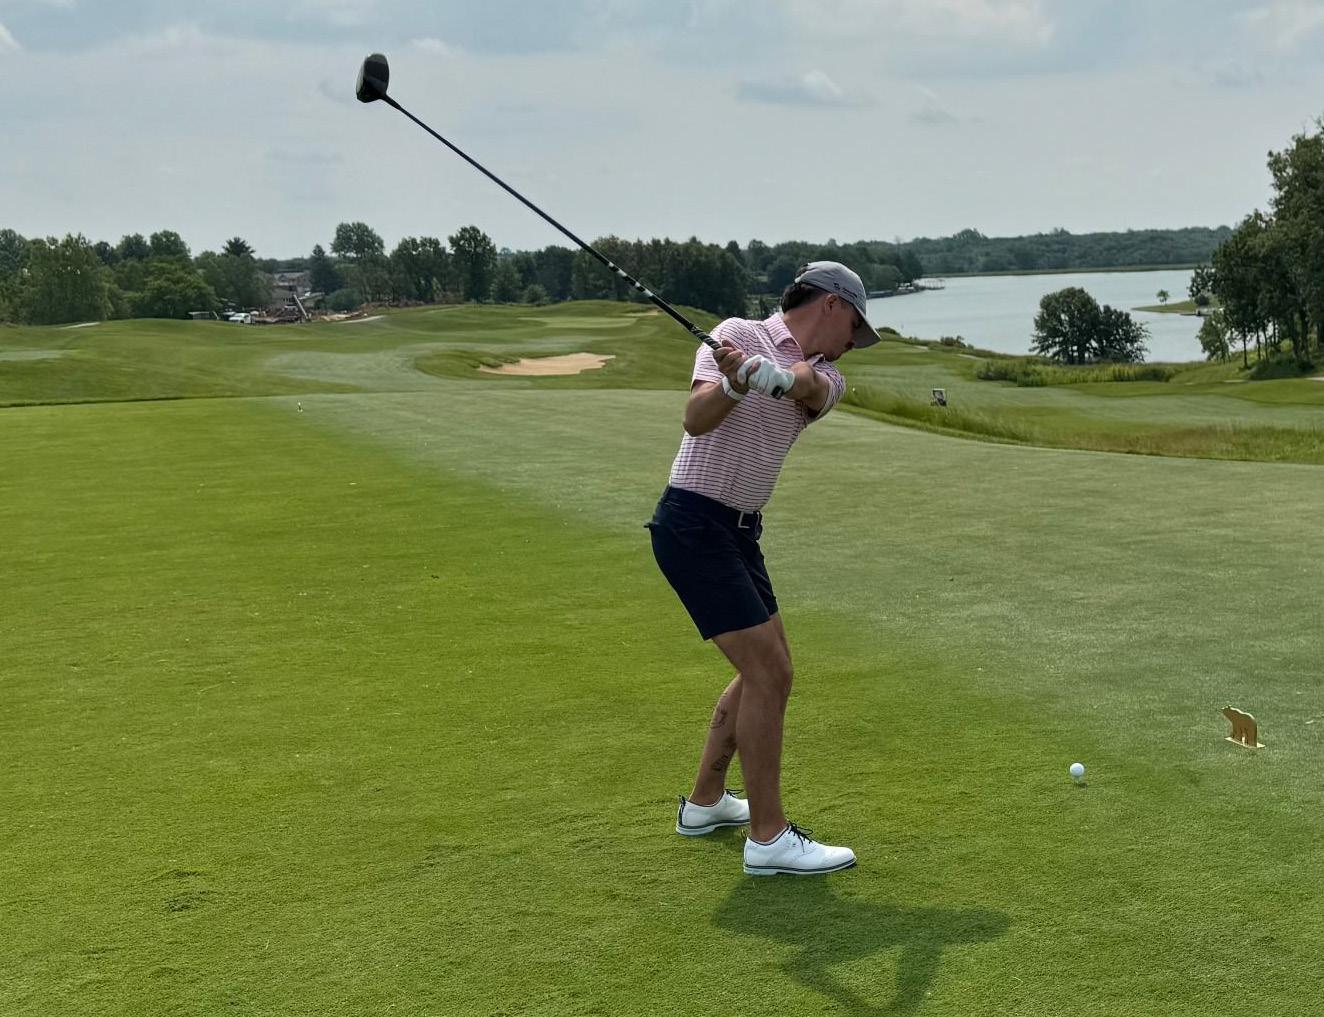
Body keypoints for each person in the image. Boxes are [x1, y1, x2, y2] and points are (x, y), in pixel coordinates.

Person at [646, 261, 879, 876]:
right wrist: (733, 385)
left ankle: (704, 803)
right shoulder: (736, 334)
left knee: (770, 671)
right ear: (831, 304)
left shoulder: (829, 374)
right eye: (855, 327)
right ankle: (768, 838)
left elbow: (807, 385)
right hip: (693, 523)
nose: (852, 343)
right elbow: (694, 419)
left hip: (742, 533)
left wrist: (771, 376)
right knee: (769, 672)